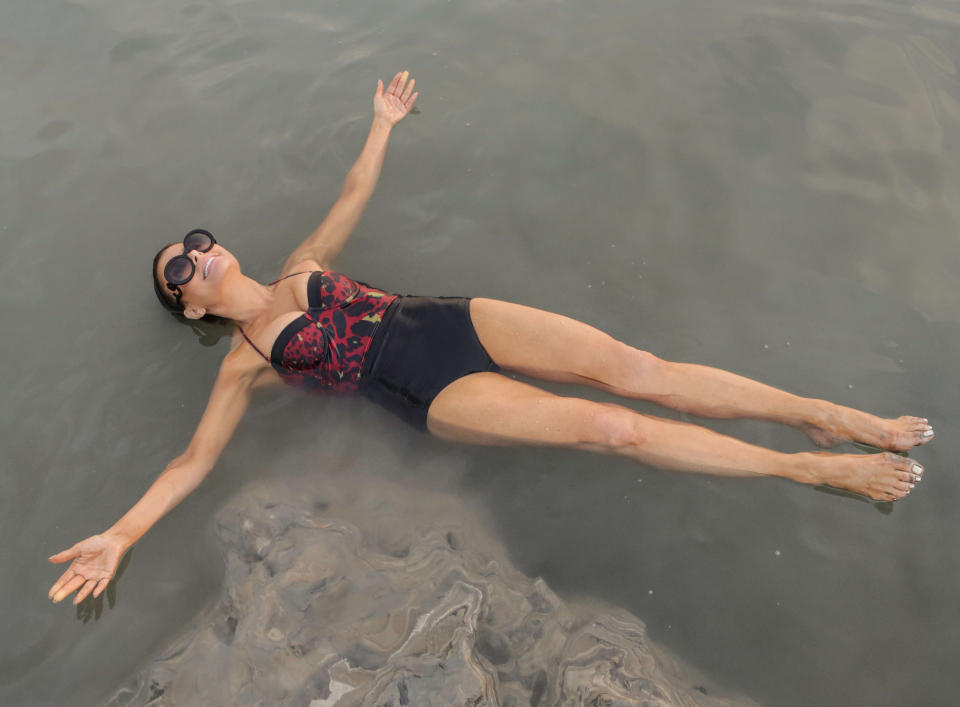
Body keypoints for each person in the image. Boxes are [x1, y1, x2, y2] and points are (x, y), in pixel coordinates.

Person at [48, 71, 934, 606]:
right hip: (424, 392)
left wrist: (382, 125)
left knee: (640, 370)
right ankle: (807, 466)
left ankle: (822, 413)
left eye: (196, 244)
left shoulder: (301, 262)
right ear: (192, 312)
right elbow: (190, 464)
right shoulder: (245, 363)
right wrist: (122, 535)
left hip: (451, 317)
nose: (196, 260)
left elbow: (352, 193)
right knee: (610, 427)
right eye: (179, 273)